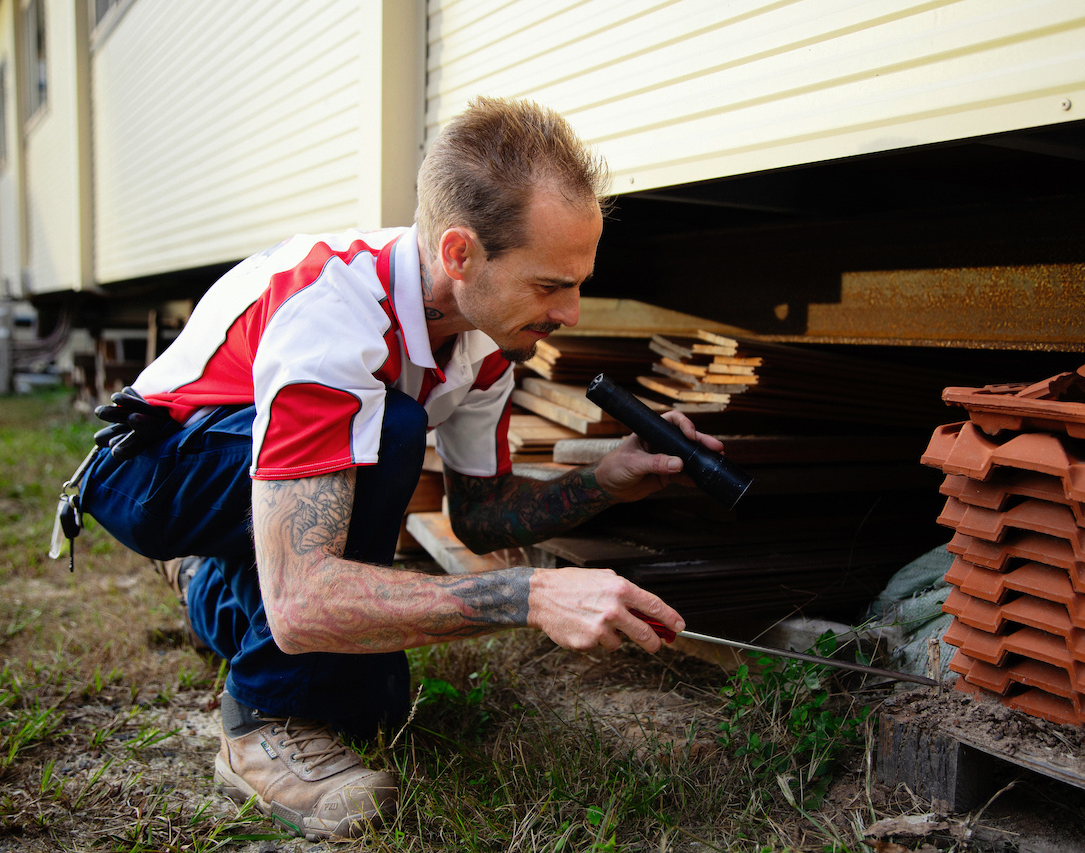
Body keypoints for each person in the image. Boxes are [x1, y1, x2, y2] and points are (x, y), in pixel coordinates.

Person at [75, 96, 723, 841]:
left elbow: (480, 514)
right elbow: (304, 605)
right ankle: (258, 724)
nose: (571, 313)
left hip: (242, 468)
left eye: (578, 283)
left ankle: (210, 583)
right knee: (389, 430)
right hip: (153, 469)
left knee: (370, 705)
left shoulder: (482, 340)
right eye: (550, 285)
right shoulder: (335, 316)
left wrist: (604, 479)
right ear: (459, 254)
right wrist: (531, 592)